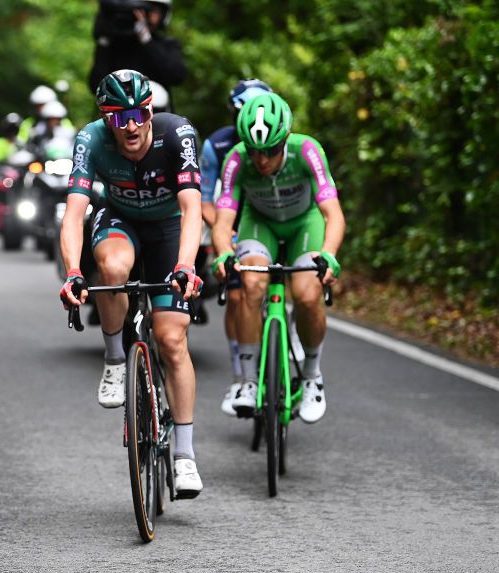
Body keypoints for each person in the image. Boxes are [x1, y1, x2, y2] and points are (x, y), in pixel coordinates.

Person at [59, 69, 205, 497]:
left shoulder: (177, 133)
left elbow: (192, 207)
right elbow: (73, 214)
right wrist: (72, 270)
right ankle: (115, 358)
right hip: (119, 220)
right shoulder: (91, 139)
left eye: (139, 114)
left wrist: (187, 265)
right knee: (111, 269)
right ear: (106, 119)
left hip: (168, 230)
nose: (132, 126)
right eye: (119, 118)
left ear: (151, 110)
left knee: (172, 340)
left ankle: (184, 455)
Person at [210, 92, 344, 424]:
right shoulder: (237, 160)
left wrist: (329, 254)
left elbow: (334, 214)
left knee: (307, 294)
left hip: (304, 225)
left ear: (284, 139)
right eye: (255, 151)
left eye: (270, 150)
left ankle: (312, 376)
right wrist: (224, 253)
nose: (262, 160)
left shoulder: (307, 150)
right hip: (260, 224)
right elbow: (224, 220)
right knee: (252, 284)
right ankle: (249, 381)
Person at [199, 78, 273, 416]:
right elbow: (204, 199)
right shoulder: (217, 145)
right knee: (239, 294)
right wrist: (223, 234)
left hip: (269, 221)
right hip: (229, 222)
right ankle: (241, 372)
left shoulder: (278, 138)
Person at [88, 0, 186, 110]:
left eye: (150, 10)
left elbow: (176, 76)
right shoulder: (114, 46)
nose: (140, 16)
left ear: (164, 14)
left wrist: (146, 38)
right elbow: (95, 86)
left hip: (158, 116)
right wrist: (103, 40)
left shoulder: (167, 44)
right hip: (119, 118)